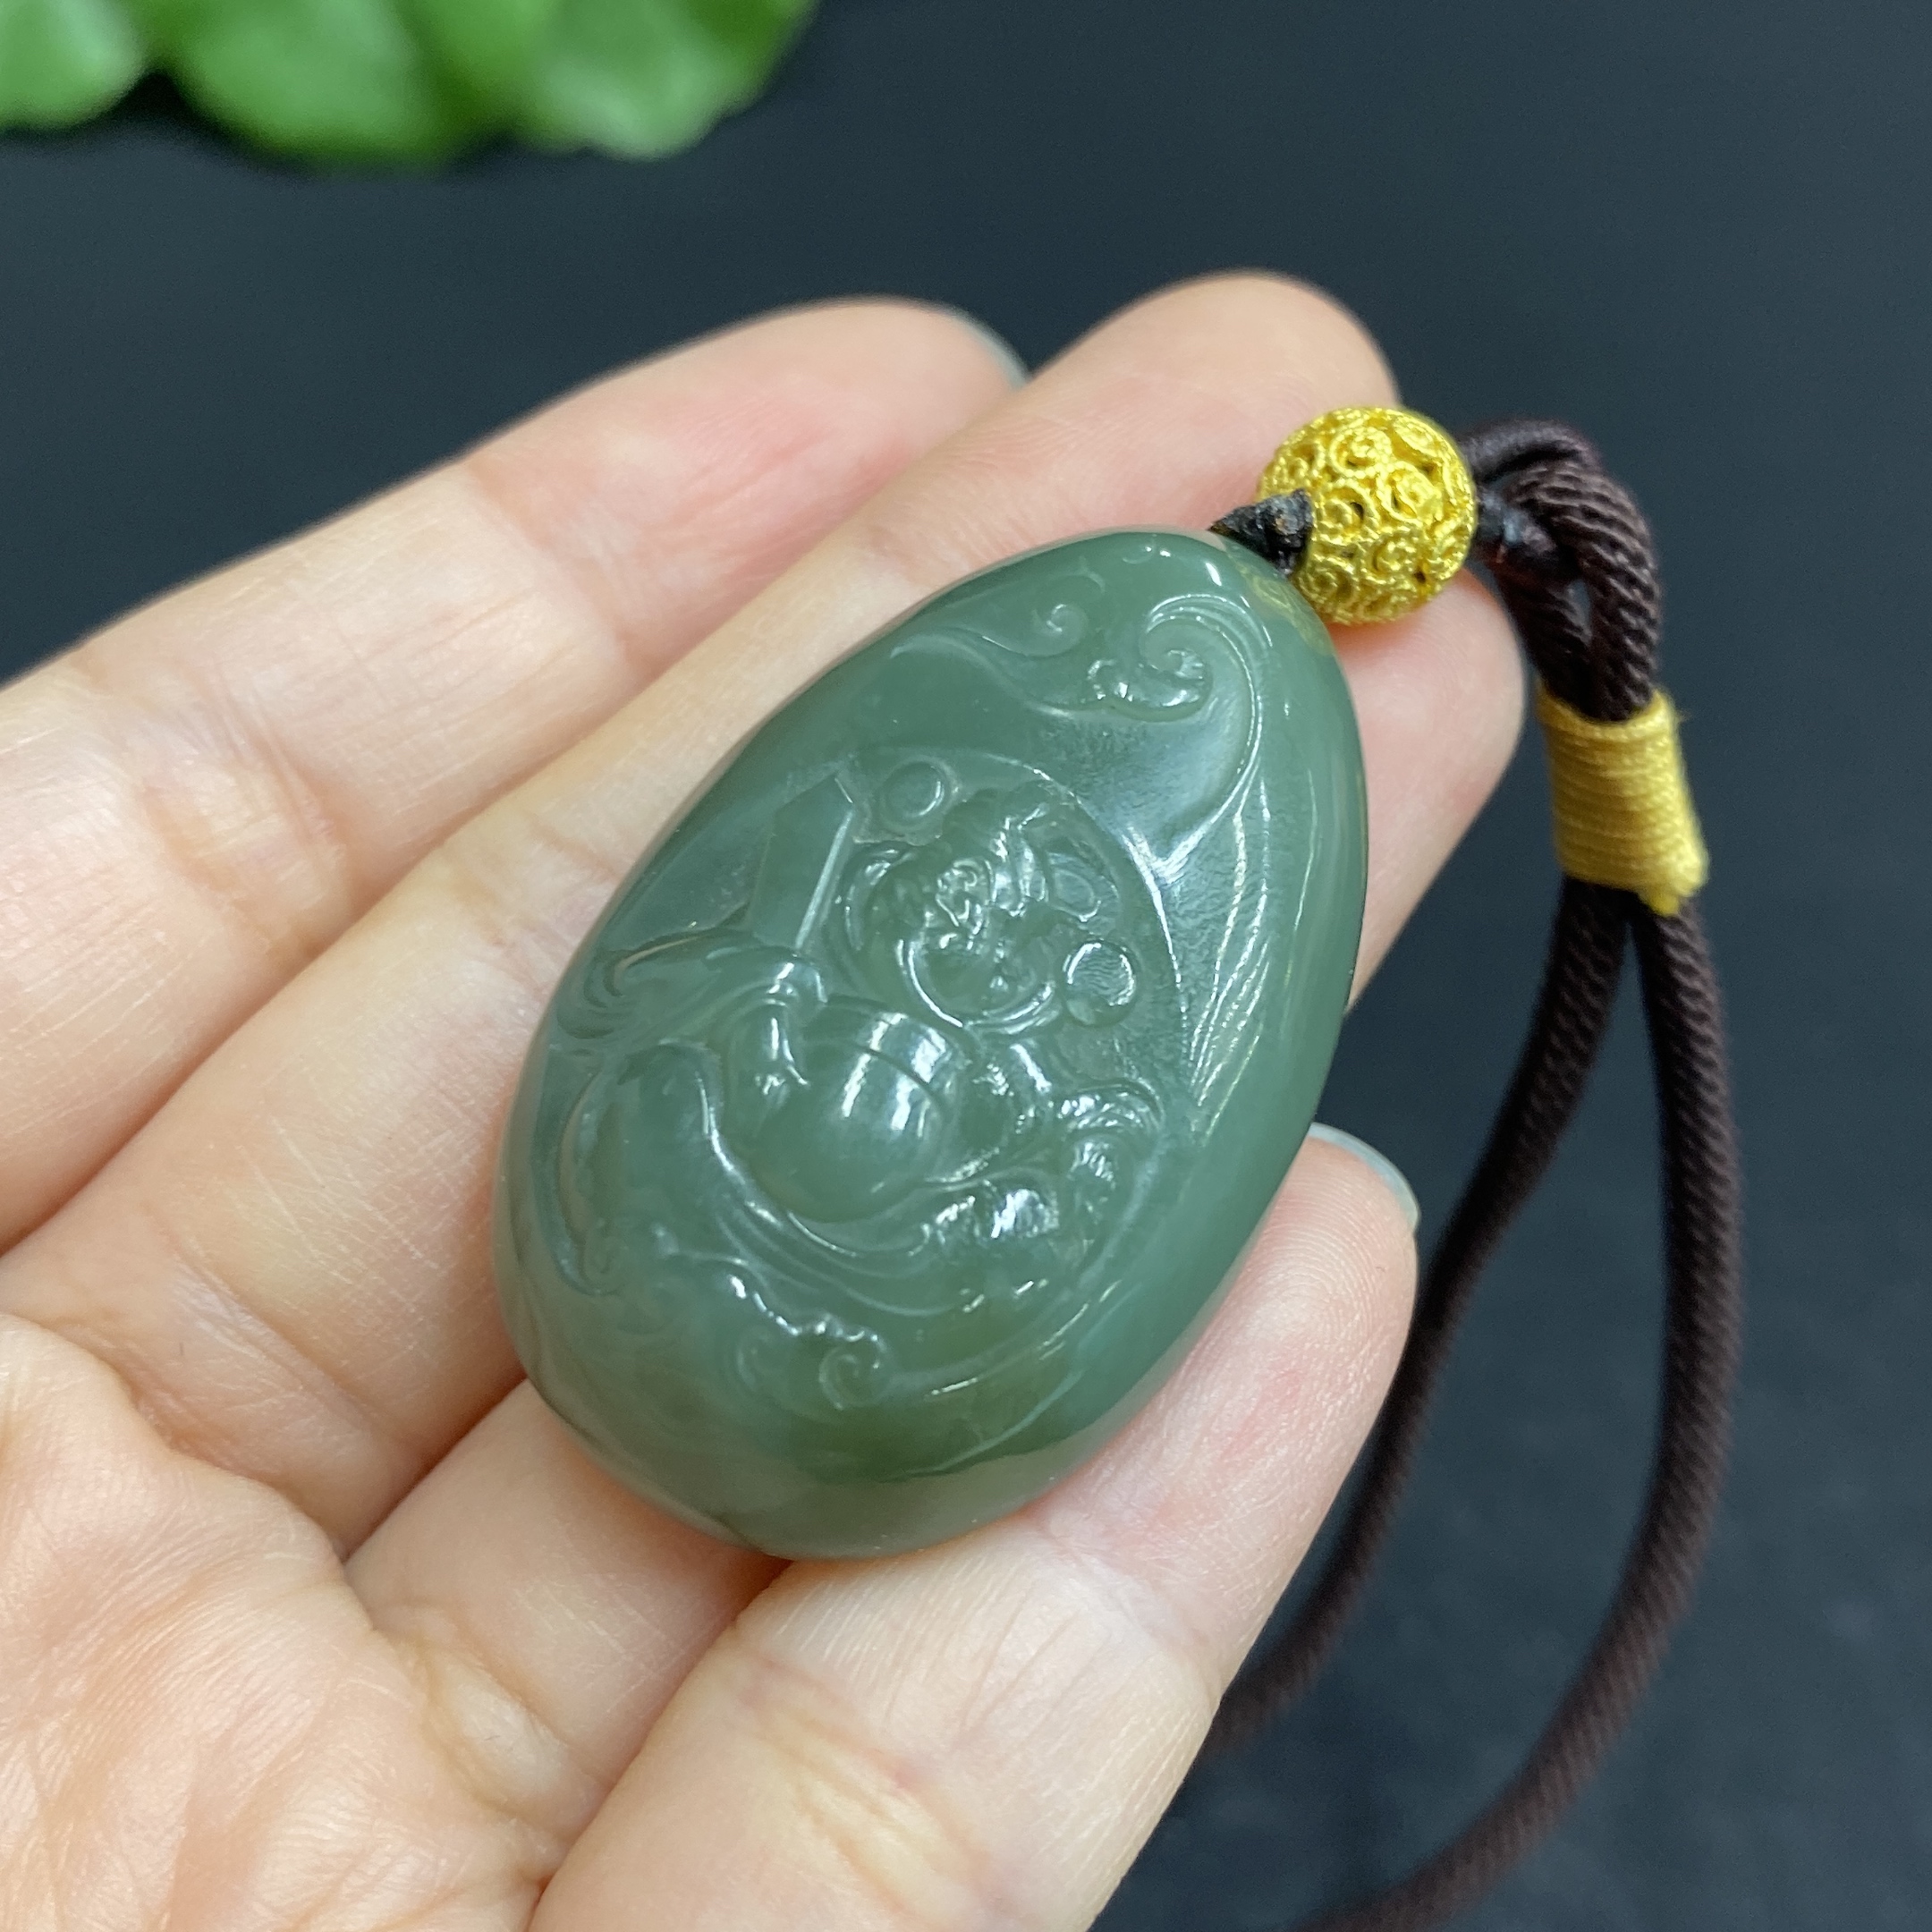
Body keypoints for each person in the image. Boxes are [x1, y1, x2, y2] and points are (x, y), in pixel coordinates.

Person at [0, 275, 1516, 1929]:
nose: (975, 910)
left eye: (1017, 918)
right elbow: (719, 955)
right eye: (953, 881)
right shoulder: (827, 928)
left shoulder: (1118, 933)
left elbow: (1080, 1136)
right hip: (709, 1206)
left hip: (878, 1300)